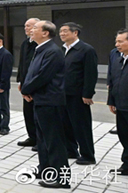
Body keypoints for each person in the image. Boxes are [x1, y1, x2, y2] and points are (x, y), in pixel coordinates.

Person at [21, 21, 69, 188]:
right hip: (40, 99)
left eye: (35, 28)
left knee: (54, 140)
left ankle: (62, 178)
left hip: (50, 101)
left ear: (46, 33)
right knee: (42, 139)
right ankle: (45, 169)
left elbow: (43, 76)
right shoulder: (40, 49)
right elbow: (31, 73)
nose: (31, 31)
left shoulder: (53, 52)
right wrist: (28, 90)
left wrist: (27, 89)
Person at [59, 22, 98, 165]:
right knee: (66, 124)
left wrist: (87, 94)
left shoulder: (86, 50)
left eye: (65, 31)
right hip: (63, 94)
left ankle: (88, 154)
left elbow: (91, 74)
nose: (62, 34)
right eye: (60, 31)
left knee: (81, 125)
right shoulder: (62, 50)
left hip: (78, 95)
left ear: (75, 33)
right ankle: (71, 150)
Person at [16, 17, 40, 148]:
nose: (26, 28)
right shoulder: (25, 44)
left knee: (37, 113)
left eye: (29, 26)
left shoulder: (40, 44)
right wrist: (20, 80)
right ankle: (32, 136)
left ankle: (40, 139)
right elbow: (21, 64)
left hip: (36, 84)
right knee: (28, 112)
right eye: (25, 26)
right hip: (25, 83)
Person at [108, 29, 128, 175]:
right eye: (116, 41)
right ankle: (126, 165)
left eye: (121, 41)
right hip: (121, 105)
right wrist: (111, 101)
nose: (117, 44)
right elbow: (112, 81)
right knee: (124, 136)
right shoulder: (117, 57)